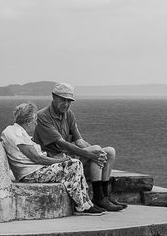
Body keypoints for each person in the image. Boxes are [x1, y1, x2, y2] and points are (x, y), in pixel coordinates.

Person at [33, 83, 127, 211]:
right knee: (95, 152)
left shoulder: (69, 114)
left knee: (110, 151)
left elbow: (79, 141)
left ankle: (105, 195)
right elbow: (62, 143)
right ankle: (99, 198)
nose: (66, 104)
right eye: (63, 100)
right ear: (53, 97)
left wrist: (98, 152)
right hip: (55, 161)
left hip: (69, 157)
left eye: (69, 101)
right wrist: (90, 154)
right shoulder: (43, 116)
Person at [0, 103, 100, 214]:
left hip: (33, 171)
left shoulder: (14, 131)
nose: (36, 123)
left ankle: (87, 203)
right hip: (31, 174)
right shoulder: (18, 134)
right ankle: (82, 206)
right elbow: (38, 159)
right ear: (28, 122)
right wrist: (61, 160)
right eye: (35, 120)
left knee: (76, 164)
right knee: (74, 164)